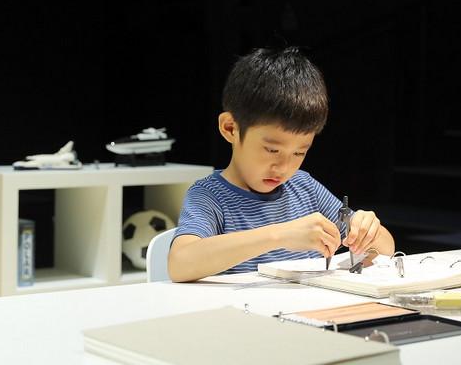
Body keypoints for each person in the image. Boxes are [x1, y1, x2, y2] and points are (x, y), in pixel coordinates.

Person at [167, 47, 395, 282]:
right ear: (230, 128)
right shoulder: (210, 195)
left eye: (299, 152)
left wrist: (368, 231)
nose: (284, 168)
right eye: (272, 150)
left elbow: (386, 248)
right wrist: (279, 235)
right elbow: (179, 264)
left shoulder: (304, 188)